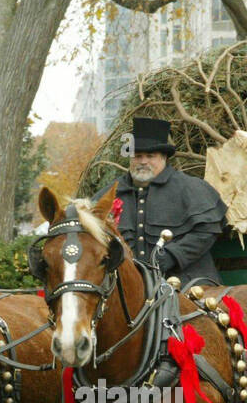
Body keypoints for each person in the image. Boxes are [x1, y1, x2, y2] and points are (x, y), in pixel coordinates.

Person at [97, 117, 228, 284]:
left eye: (150, 156)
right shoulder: (110, 194)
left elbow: (206, 230)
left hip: (188, 284)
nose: (143, 161)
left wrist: (174, 255)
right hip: (127, 290)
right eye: (137, 156)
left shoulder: (190, 188)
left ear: (164, 158)